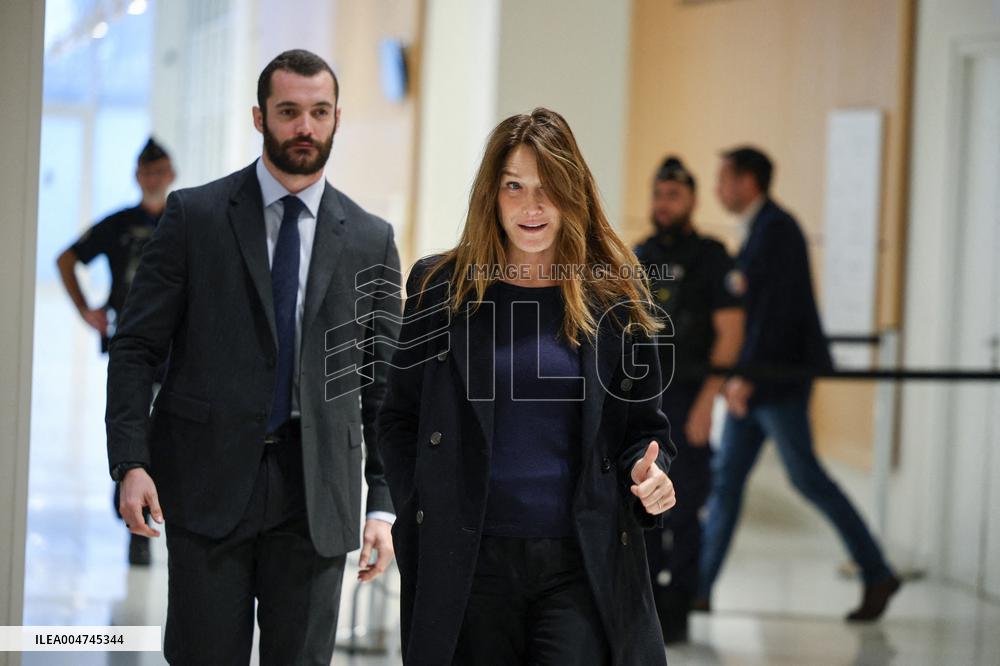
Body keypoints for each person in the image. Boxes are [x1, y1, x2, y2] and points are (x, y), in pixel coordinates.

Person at [105, 49, 399, 665]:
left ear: (337, 118)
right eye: (289, 111)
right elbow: (136, 348)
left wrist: (383, 501)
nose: (305, 128)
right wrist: (131, 460)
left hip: (317, 493)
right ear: (259, 116)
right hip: (207, 483)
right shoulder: (196, 217)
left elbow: (384, 388)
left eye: (319, 112)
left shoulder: (372, 240)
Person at [378, 108, 678, 665]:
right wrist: (423, 501)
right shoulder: (439, 286)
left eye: (547, 189)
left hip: (578, 565)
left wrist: (650, 474)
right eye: (514, 186)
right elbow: (399, 417)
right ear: (491, 194)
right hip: (469, 562)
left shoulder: (614, 295)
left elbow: (644, 430)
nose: (531, 207)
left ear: (573, 194)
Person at [697, 146, 900, 622]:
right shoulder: (760, 230)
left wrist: (746, 375)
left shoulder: (777, 230)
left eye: (724, 179)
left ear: (748, 182)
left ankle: (876, 572)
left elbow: (776, 314)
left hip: (776, 381)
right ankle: (700, 589)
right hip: (759, 378)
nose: (718, 189)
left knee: (807, 478)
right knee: (726, 482)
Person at [634, 156, 744, 643]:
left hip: (689, 396)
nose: (663, 204)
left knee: (687, 505)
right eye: (658, 194)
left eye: (673, 195)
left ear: (692, 201)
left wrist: (707, 404)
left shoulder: (712, 256)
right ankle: (646, 607)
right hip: (644, 397)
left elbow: (730, 332)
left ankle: (679, 604)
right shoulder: (636, 254)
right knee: (644, 506)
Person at [57, 137, 176, 566]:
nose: (153, 179)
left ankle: (158, 513)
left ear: (171, 174)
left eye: (160, 171)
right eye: (146, 172)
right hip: (130, 346)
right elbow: (66, 259)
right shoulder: (120, 223)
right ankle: (135, 524)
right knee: (132, 432)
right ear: (136, 176)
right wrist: (87, 310)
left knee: (168, 435)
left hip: (177, 349)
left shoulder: (186, 221)